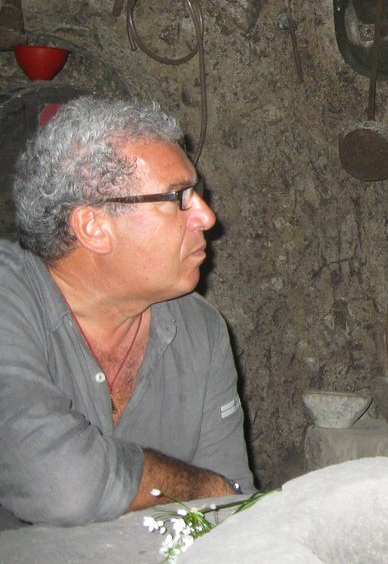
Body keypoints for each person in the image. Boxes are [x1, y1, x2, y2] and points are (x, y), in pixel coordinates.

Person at [0, 97, 254, 527]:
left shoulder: (201, 330)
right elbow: (61, 484)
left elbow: (232, 516)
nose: (207, 217)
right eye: (179, 197)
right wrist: (198, 486)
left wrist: (215, 492)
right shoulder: (10, 298)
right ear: (94, 227)